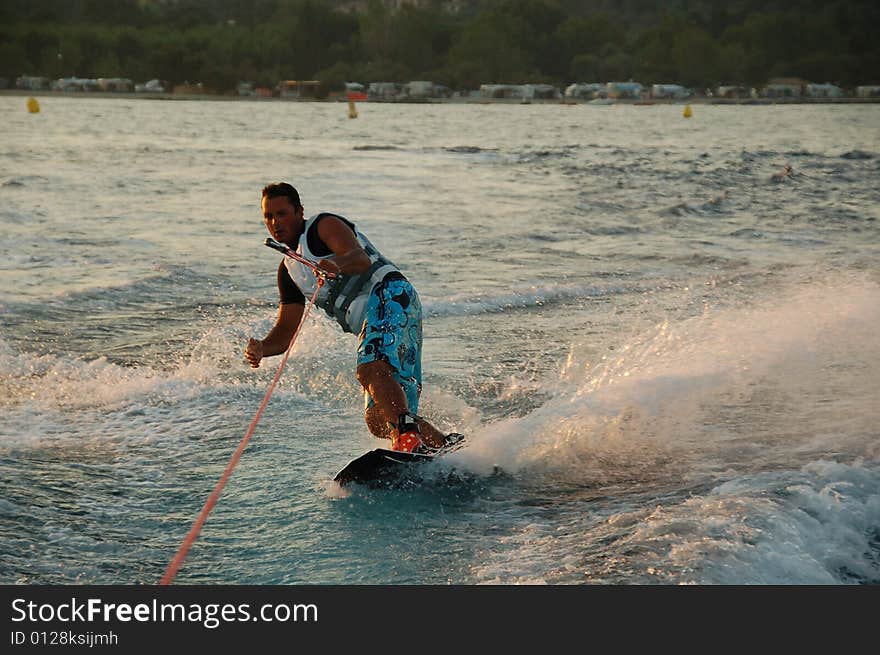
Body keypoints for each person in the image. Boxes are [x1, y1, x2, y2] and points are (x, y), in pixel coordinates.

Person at [245, 182, 459, 453]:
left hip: (390, 295)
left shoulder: (323, 226)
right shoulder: (289, 270)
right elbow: (286, 332)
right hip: (377, 320)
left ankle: (408, 440)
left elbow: (359, 259)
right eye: (268, 216)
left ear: (300, 211)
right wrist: (263, 347)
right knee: (378, 419)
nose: (275, 222)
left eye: (282, 213)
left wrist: (337, 264)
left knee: (370, 370)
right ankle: (444, 449)